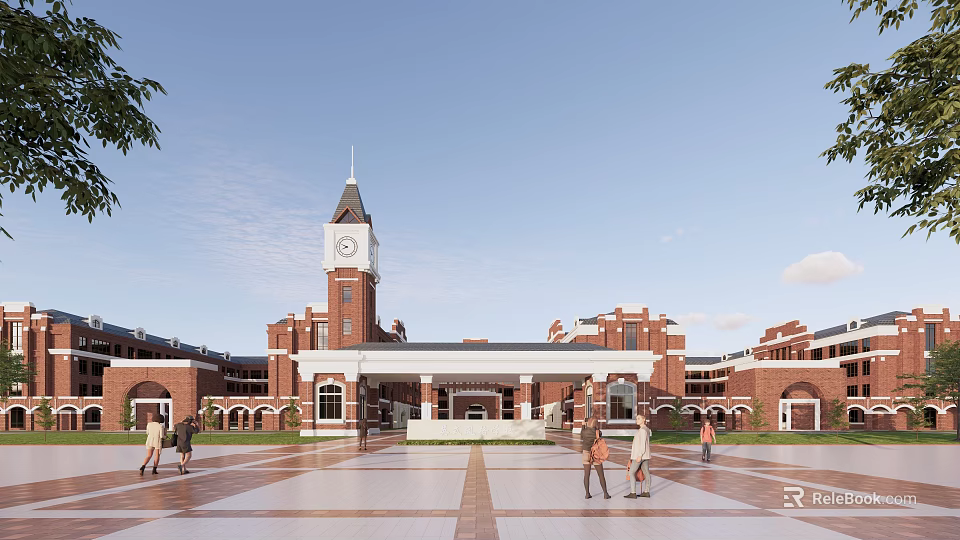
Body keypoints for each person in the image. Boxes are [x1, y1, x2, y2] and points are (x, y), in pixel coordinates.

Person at [580, 416, 610, 499]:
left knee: (586, 475)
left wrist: (583, 426)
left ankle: (587, 494)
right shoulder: (598, 432)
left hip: (586, 453)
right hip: (596, 454)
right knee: (601, 475)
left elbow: (581, 436)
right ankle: (605, 494)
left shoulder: (584, 431)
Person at [625, 414, 652, 498]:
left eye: (639, 418)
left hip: (639, 456)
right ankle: (646, 491)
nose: (637, 420)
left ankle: (633, 492)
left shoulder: (643, 430)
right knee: (646, 473)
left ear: (644, 419)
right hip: (646, 456)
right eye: (636, 419)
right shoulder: (646, 429)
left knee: (631, 472)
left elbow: (643, 444)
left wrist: (639, 455)